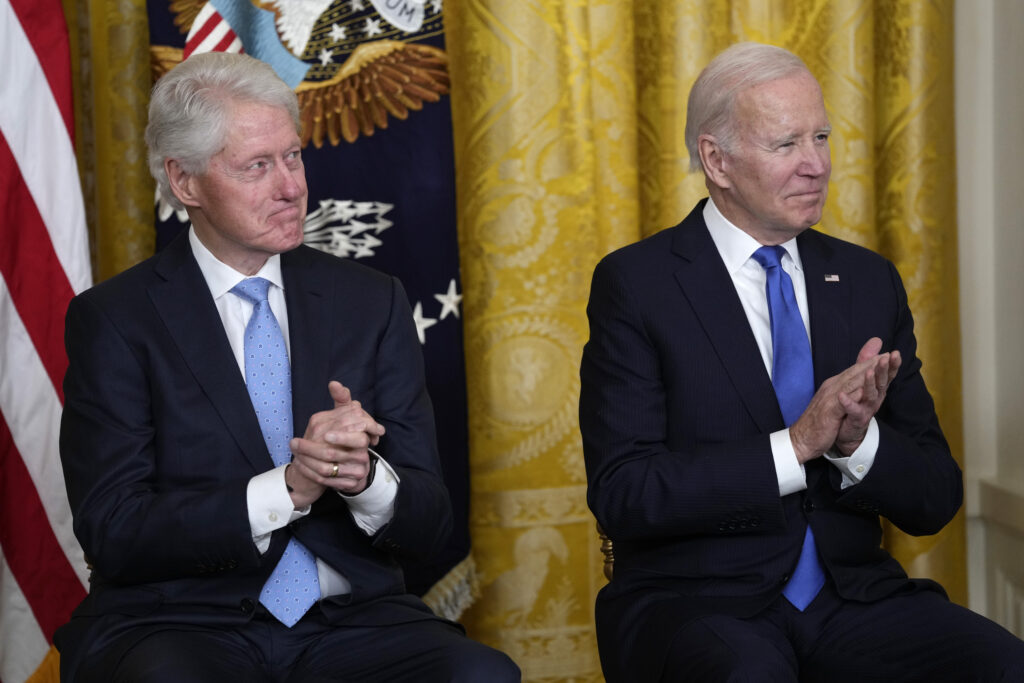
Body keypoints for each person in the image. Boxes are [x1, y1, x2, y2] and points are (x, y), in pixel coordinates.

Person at [56, 51, 520, 683]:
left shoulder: (370, 300)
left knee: (482, 676)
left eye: (293, 156)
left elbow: (431, 520)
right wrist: (291, 490)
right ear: (185, 181)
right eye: (257, 166)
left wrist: (364, 480)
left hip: (351, 619)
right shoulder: (114, 319)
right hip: (182, 622)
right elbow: (114, 529)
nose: (291, 187)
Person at [579, 42, 1024, 682]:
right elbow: (625, 493)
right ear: (716, 160)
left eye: (821, 136)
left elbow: (934, 497)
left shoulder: (869, 280)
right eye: (786, 145)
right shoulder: (639, 284)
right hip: (699, 604)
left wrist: (856, 443)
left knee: (1004, 665)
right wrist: (795, 445)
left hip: (854, 600)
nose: (816, 164)